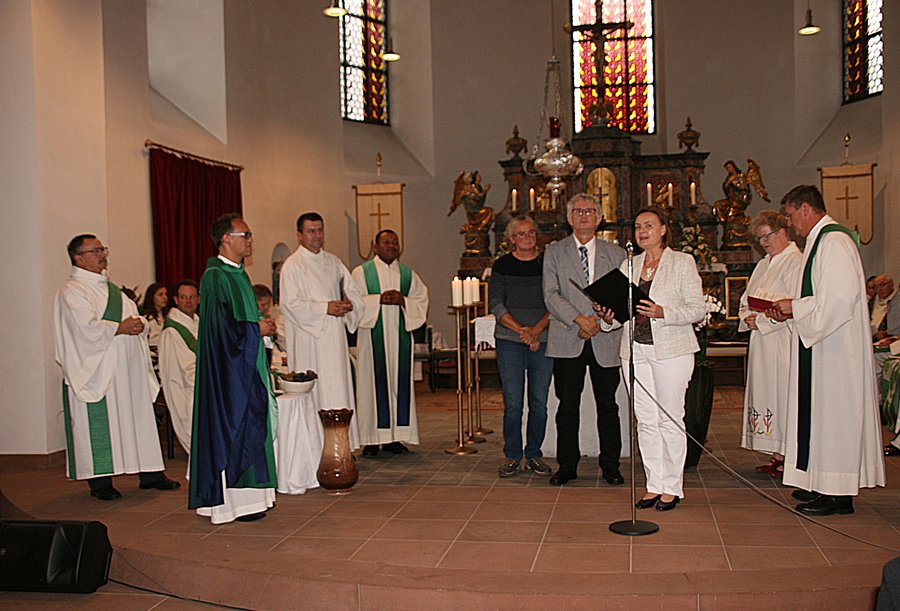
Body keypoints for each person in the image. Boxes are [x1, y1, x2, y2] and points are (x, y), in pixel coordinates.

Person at [769, 185, 885, 515]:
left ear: (806, 209)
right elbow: (821, 297)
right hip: (822, 347)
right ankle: (822, 482)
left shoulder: (834, 242)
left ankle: (838, 494)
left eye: (791, 215)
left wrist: (796, 308)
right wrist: (794, 307)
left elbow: (837, 302)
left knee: (835, 419)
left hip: (837, 351)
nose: (791, 223)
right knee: (820, 418)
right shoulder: (820, 241)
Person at [54, 234, 180, 500]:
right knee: (102, 424)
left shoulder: (112, 291)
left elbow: (135, 317)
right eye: (95, 250)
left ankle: (150, 474)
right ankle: (100, 483)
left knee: (137, 419)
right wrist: (120, 327)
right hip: (99, 371)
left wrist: (140, 325)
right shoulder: (73, 291)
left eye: (103, 249)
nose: (103, 254)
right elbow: (82, 329)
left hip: (127, 371)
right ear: (78, 258)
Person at [597, 208, 706, 511]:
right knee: (645, 421)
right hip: (635, 352)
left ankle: (672, 487)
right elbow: (621, 316)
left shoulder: (681, 262)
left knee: (669, 418)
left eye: (648, 225)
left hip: (671, 351)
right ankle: (653, 484)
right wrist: (608, 317)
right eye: (637, 226)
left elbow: (697, 309)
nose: (642, 231)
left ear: (663, 230)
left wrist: (663, 312)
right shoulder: (629, 265)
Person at [190, 213, 277, 523]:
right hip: (228, 375)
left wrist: (260, 326)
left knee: (252, 426)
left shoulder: (238, 274)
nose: (250, 240)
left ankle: (254, 499)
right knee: (236, 429)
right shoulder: (215, 277)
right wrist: (256, 330)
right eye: (245, 234)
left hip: (246, 367)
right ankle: (233, 504)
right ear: (226, 239)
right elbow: (221, 329)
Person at [543, 193, 625, 486]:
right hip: (568, 337)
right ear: (569, 218)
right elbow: (551, 294)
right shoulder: (554, 252)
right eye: (578, 211)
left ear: (600, 218)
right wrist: (580, 319)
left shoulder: (616, 254)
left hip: (605, 339)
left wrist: (598, 324)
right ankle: (567, 466)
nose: (584, 216)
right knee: (567, 406)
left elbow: (621, 296)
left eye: (590, 211)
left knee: (608, 406)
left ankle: (611, 465)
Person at [280, 212, 364, 445]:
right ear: (299, 235)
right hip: (309, 342)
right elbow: (290, 304)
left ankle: (341, 447)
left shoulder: (334, 262)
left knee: (337, 390)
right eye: (311, 231)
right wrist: (325, 307)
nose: (317, 236)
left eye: (320, 230)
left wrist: (349, 304)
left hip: (334, 342)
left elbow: (353, 294)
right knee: (316, 394)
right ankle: (315, 448)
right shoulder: (292, 266)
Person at [351, 229, 429, 456]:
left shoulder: (408, 275)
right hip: (372, 340)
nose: (392, 245)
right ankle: (371, 440)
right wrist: (378, 300)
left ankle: (395, 438)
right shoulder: (361, 273)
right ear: (375, 247)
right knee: (371, 387)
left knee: (398, 386)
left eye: (395, 242)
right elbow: (354, 302)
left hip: (399, 340)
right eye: (386, 242)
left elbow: (421, 301)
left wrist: (403, 301)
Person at [738, 211, 802, 476]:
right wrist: (747, 316)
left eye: (766, 236)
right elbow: (746, 298)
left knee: (782, 394)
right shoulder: (764, 264)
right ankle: (777, 452)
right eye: (759, 238)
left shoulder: (795, 261)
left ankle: (790, 453)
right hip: (761, 341)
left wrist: (763, 319)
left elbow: (795, 303)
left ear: (782, 231)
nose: (763, 243)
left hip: (781, 341)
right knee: (766, 393)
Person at [489, 216, 553, 477]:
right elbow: (496, 303)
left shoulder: (548, 263)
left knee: (539, 403)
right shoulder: (502, 265)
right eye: (521, 234)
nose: (527, 238)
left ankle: (534, 454)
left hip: (543, 340)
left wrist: (536, 330)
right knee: (513, 403)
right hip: (510, 342)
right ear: (512, 239)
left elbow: (555, 300)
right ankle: (513, 455)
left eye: (531, 233)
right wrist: (522, 331)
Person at [158, 279, 200, 456]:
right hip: (188, 390)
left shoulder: (199, 322)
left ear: (198, 299)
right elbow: (176, 372)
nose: (188, 301)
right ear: (176, 300)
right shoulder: (173, 331)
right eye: (183, 297)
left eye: (192, 297)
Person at [253, 283, 286, 366]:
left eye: (268, 304)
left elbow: (270, 344)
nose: (267, 308)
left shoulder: (268, 318)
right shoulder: (250, 321)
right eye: (263, 305)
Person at [140, 282, 169, 350]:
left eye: (166, 294)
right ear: (152, 297)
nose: (164, 297)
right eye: (160, 294)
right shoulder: (147, 318)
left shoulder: (168, 316)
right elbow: (151, 340)